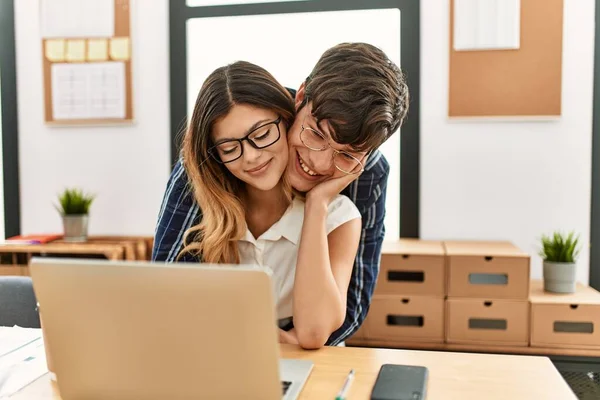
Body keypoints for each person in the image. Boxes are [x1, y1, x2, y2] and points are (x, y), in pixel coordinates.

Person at [153, 42, 409, 347]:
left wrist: (297, 342)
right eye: (315, 134)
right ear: (300, 97)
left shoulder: (365, 178)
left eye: (348, 154)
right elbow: (169, 286)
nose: (320, 163)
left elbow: (351, 303)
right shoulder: (219, 148)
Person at [180, 60, 362, 349]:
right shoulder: (209, 213)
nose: (250, 157)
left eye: (262, 135)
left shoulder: (339, 215)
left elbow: (314, 333)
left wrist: (317, 204)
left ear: (287, 119)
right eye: (229, 148)